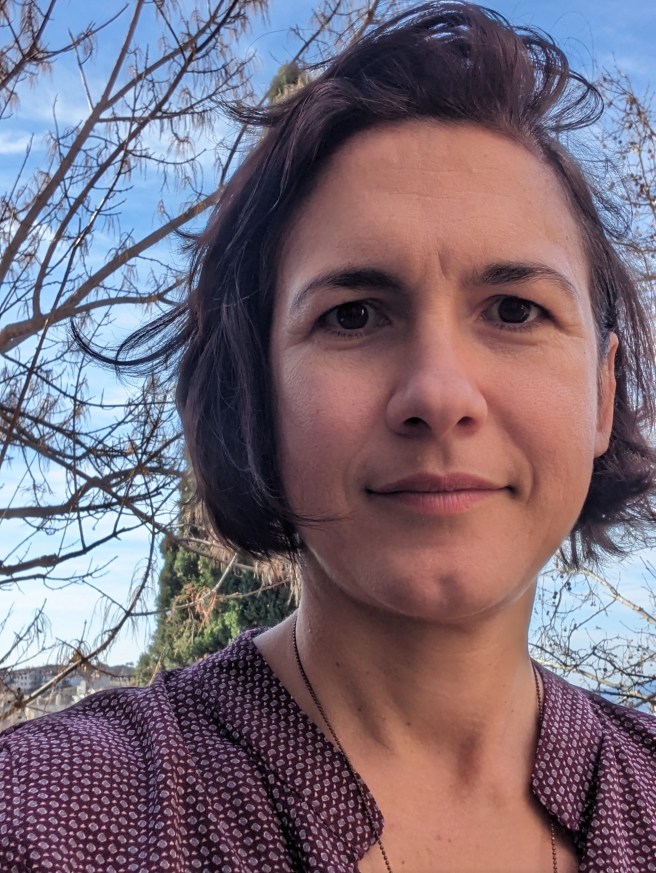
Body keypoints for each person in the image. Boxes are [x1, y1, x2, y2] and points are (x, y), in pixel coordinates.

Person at [1, 3, 655, 872]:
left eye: (513, 309)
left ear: (602, 395)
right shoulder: (47, 817)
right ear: (256, 392)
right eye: (353, 315)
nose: (439, 394)